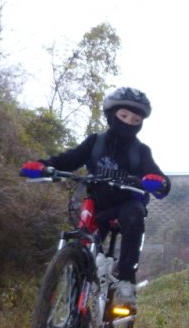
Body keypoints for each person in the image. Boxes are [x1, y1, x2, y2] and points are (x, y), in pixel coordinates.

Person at [21, 87, 170, 308]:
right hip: (96, 206)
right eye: (123, 116)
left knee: (134, 213)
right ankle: (74, 288)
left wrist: (157, 182)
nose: (129, 123)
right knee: (81, 241)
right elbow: (69, 159)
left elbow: (158, 178)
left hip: (125, 207)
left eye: (135, 119)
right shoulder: (95, 142)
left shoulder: (141, 151)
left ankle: (126, 281)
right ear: (111, 115)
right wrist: (43, 166)